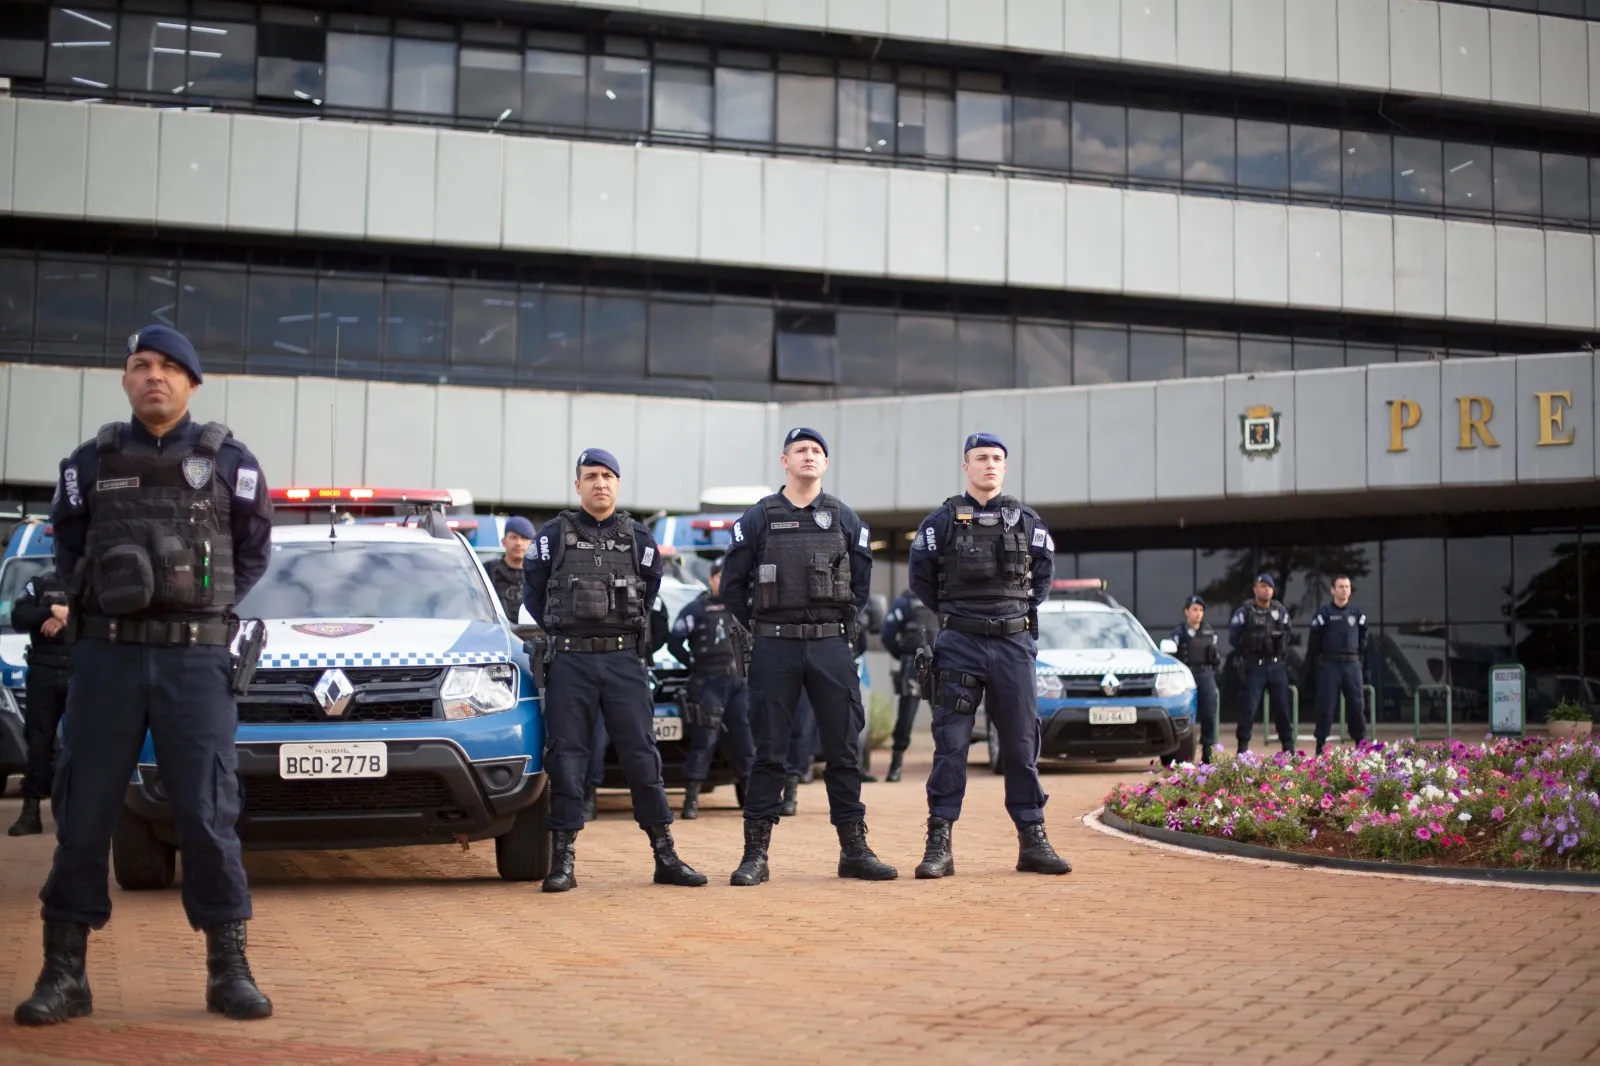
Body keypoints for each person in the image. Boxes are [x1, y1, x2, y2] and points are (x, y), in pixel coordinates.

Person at [16, 325, 273, 1026]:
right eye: (139, 366)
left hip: (195, 661)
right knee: (83, 814)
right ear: (126, 381)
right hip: (107, 659)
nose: (153, 376)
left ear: (192, 382)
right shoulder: (88, 464)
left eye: (167, 367)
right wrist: (107, 599)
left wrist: (202, 606)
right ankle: (63, 973)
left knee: (207, 815)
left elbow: (252, 552)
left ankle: (229, 972)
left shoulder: (228, 461)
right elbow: (68, 548)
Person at [522, 448, 705, 892]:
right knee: (566, 758)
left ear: (617, 484)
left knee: (643, 756)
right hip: (570, 661)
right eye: (591, 476)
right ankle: (562, 861)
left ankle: (665, 855)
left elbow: (650, 594)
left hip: (624, 660)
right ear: (577, 484)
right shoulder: (552, 536)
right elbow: (533, 596)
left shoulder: (639, 539)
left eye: (607, 475)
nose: (600, 483)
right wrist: (568, 634)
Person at [720, 427, 896, 885]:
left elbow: (859, 587)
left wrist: (833, 629)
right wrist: (766, 625)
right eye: (801, 450)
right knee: (769, 752)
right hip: (774, 645)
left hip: (830, 646)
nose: (809, 456)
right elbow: (734, 587)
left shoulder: (846, 519)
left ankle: (854, 849)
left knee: (842, 749)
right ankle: (755, 855)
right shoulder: (757, 518)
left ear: (826, 463)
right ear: (784, 460)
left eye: (817, 451)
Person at [907, 432, 1071, 879]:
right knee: (952, 746)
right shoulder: (939, 522)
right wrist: (955, 614)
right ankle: (939, 843)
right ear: (966, 466)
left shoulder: (1027, 521)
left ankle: (1032, 841)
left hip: (1014, 644)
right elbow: (920, 578)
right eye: (982, 458)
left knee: (1020, 746)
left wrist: (1017, 613)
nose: (990, 465)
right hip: (960, 644)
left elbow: (1044, 577)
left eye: (997, 458)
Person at [666, 559, 755, 818]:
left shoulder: (745, 608)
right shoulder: (697, 609)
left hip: (740, 683)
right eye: (720, 576)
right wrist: (692, 662)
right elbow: (674, 642)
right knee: (704, 741)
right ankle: (691, 801)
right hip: (709, 683)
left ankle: (750, 800)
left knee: (745, 741)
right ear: (712, 579)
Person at [7, 567, 71, 836]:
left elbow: (105, 617)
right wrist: (51, 611)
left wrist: (69, 616)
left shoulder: (93, 581)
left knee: (86, 744)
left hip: (81, 671)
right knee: (38, 743)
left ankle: (79, 813)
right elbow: (19, 617)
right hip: (44, 672)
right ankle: (31, 811)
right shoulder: (39, 584)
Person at [1229, 574, 1295, 754]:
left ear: (1273, 590)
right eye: (1262, 586)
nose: (1266, 589)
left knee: (1282, 708)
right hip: (1255, 666)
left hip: (1276, 666)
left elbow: (1288, 634)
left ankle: (1288, 748)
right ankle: (1242, 749)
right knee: (1248, 708)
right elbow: (1234, 638)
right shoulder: (1245, 612)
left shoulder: (1280, 611)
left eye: (1269, 587)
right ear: (1255, 589)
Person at [880, 587, 939, 782]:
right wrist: (903, 655)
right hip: (915, 663)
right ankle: (896, 765)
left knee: (945, 719)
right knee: (907, 718)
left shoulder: (942, 596)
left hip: (937, 663)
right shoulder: (907, 601)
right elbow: (888, 633)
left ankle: (946, 767)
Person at [1305, 575, 1369, 756]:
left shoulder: (1358, 614)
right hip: (1330, 665)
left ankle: (1360, 743)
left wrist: (1358, 657)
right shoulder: (1323, 614)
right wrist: (1317, 662)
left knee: (1357, 705)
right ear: (1333, 590)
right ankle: (1320, 744)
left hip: (1352, 664)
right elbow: (1314, 641)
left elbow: (1365, 638)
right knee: (1326, 705)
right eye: (1340, 586)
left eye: (1347, 586)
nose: (1344, 590)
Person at [1168, 595, 1221, 764]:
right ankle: (1182, 756)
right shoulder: (1178, 633)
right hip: (1185, 676)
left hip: (1205, 675)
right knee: (1184, 714)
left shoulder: (1209, 632)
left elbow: (1215, 658)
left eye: (1201, 610)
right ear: (1186, 611)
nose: (1198, 614)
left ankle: (1208, 755)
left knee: (1209, 714)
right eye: (1194, 610)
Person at [485, 516, 536, 622]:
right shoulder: (486, 571)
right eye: (513, 537)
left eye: (525, 538)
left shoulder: (542, 574)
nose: (518, 543)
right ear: (503, 541)